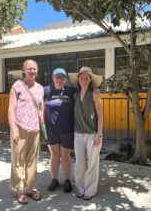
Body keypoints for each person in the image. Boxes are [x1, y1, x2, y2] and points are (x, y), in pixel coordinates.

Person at [8, 59, 44, 205]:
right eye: (29, 69)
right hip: (20, 128)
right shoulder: (17, 86)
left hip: (35, 129)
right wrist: (14, 128)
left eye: (34, 69)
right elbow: (11, 109)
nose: (32, 71)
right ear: (24, 70)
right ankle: (20, 190)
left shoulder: (40, 88)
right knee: (18, 159)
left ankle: (29, 188)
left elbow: (41, 107)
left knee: (32, 160)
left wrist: (42, 122)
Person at [69, 66, 103, 201]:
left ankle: (91, 190)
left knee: (93, 163)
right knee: (80, 163)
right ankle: (81, 188)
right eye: (81, 78)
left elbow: (100, 116)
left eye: (86, 78)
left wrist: (99, 134)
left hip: (92, 134)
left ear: (90, 80)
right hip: (78, 134)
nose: (83, 80)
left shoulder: (95, 94)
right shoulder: (75, 95)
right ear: (78, 80)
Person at [44, 68, 76, 193]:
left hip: (67, 130)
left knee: (66, 156)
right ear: (53, 78)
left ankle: (67, 180)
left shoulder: (71, 90)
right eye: (57, 77)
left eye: (62, 77)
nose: (59, 79)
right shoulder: (46, 90)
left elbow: (85, 89)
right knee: (54, 156)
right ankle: (54, 179)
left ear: (65, 79)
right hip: (51, 130)